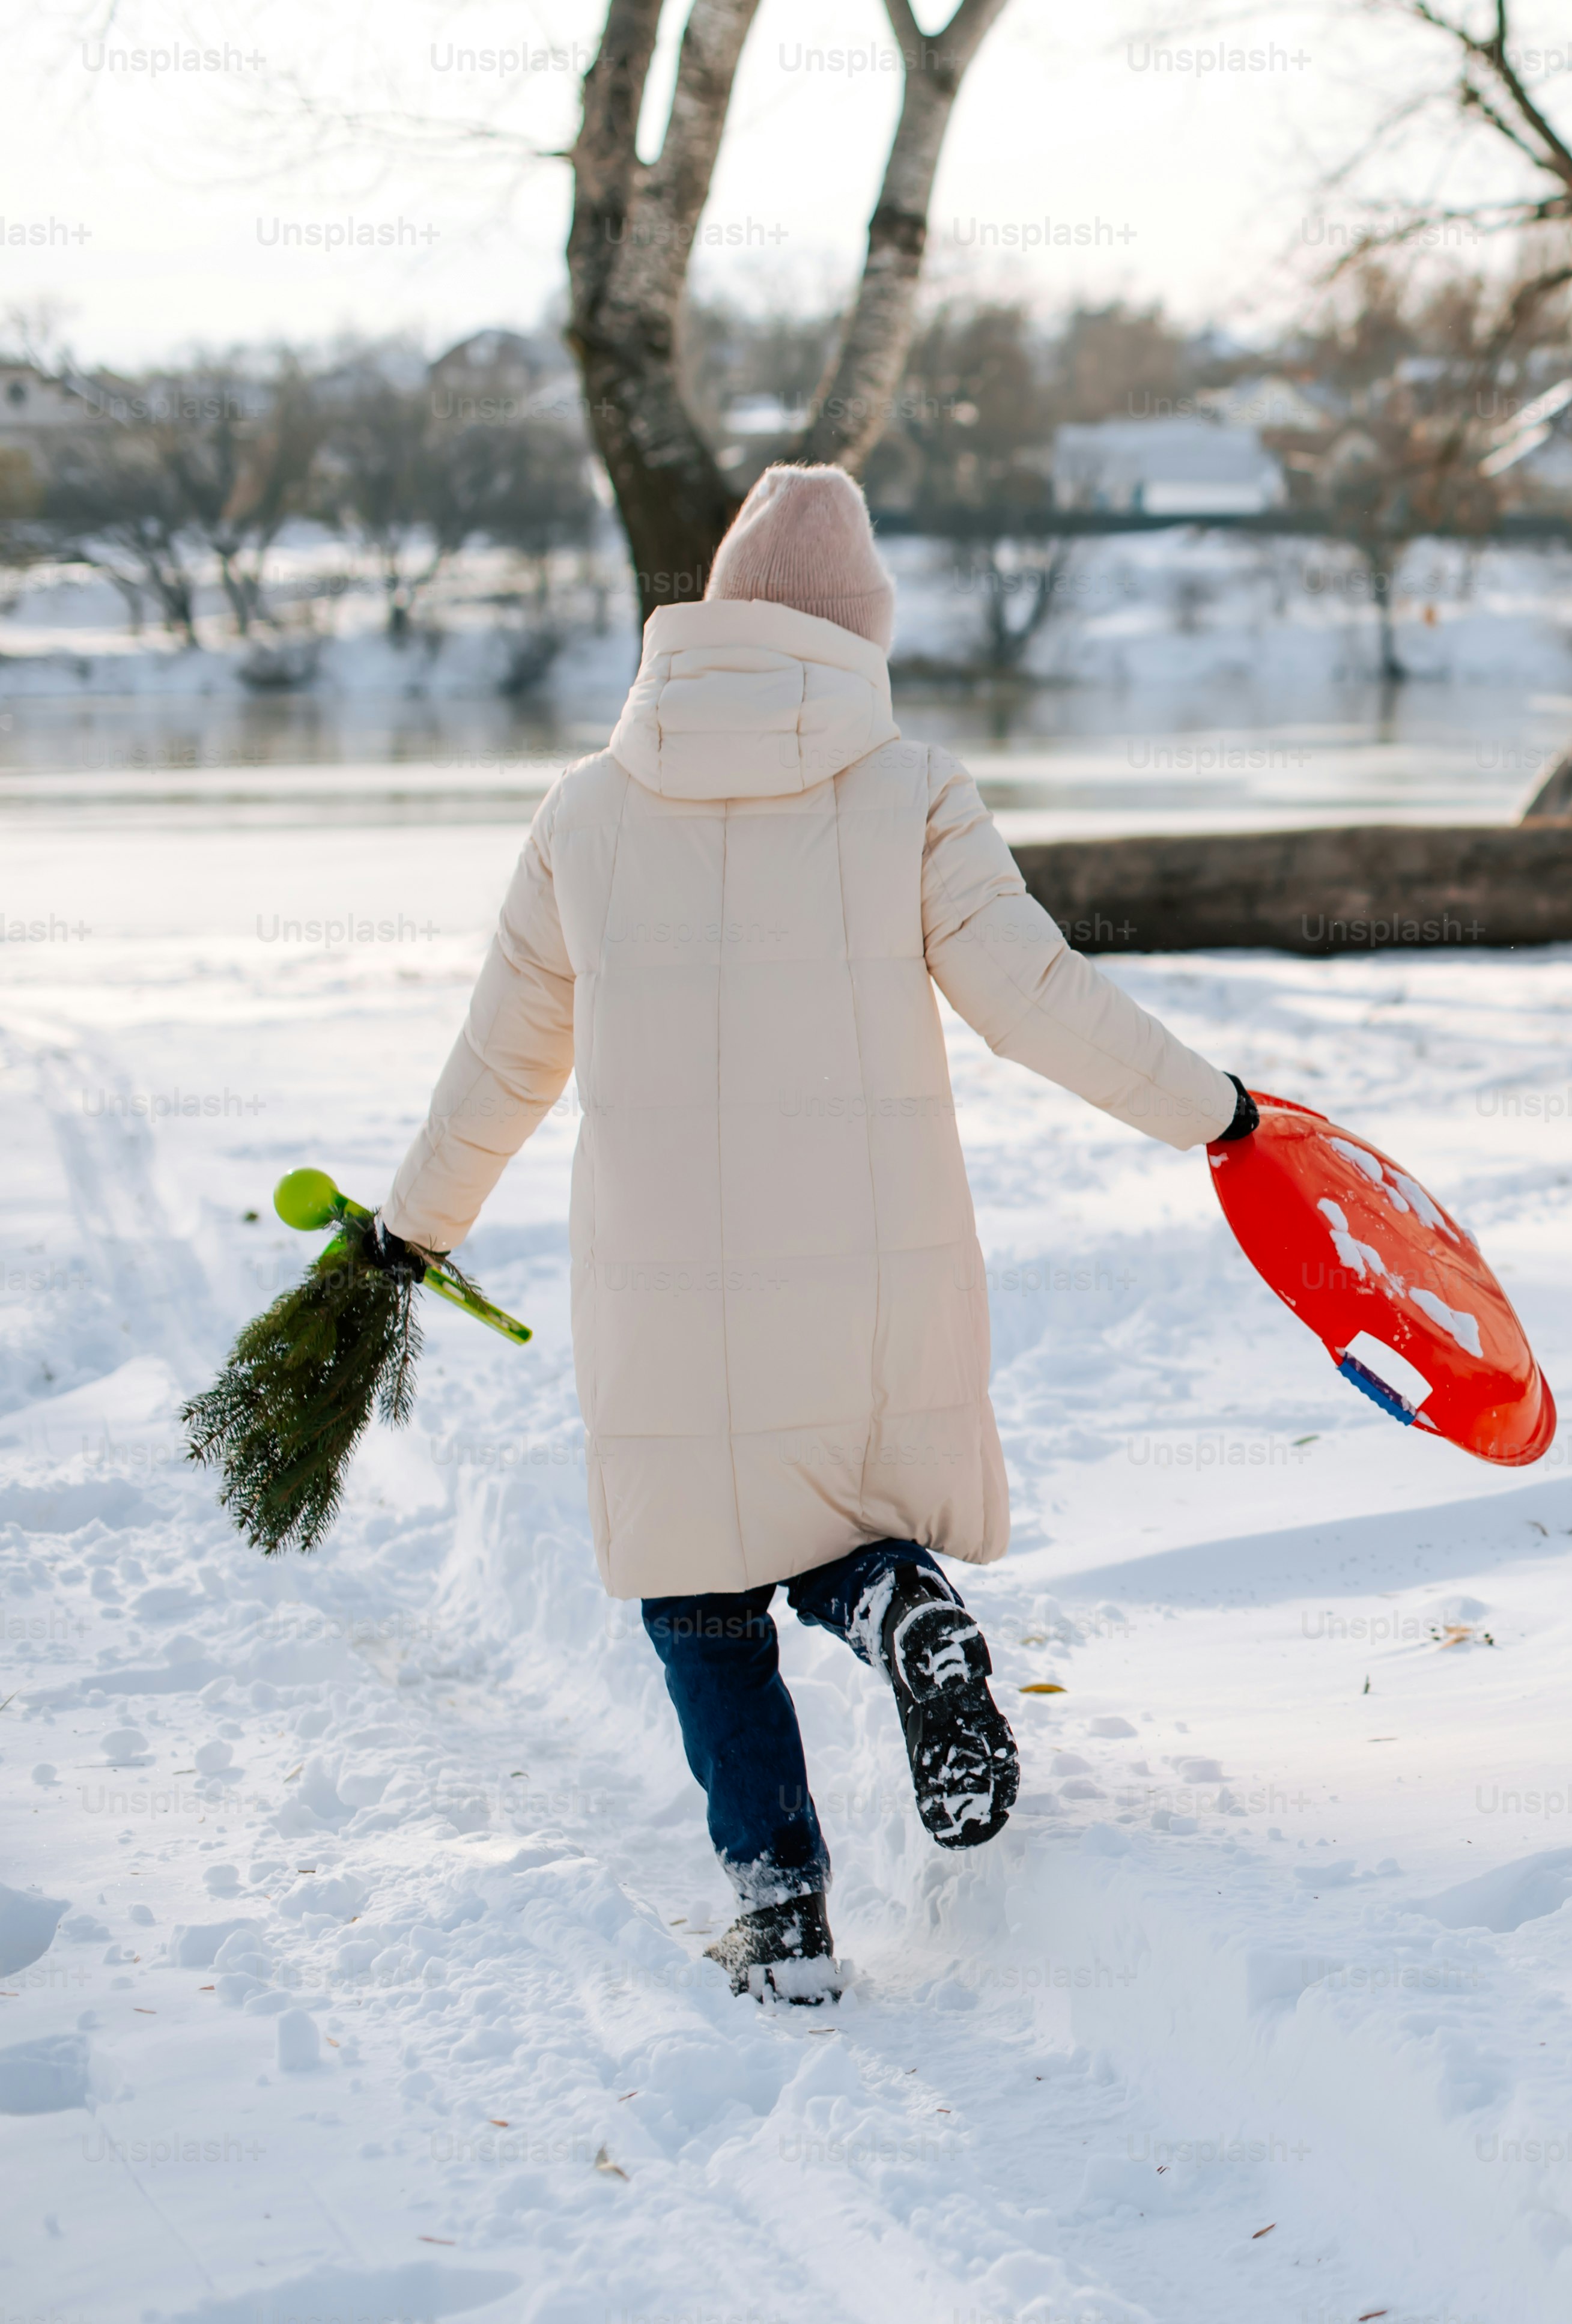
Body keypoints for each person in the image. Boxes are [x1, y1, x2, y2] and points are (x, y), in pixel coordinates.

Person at [374, 466, 1259, 1998]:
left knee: (701, 1583)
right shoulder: (908, 787)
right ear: (861, 635)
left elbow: (501, 1060)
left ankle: (781, 1913)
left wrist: (410, 1231)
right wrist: (1218, 1112)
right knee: (841, 1508)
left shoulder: (585, 810)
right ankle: (898, 1605)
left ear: (711, 612)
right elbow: (1036, 999)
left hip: (660, 1285)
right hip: (864, 1265)